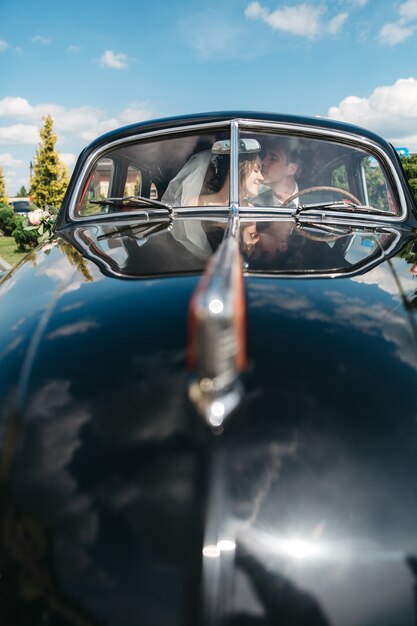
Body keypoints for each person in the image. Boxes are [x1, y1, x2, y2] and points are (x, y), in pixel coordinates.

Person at [254, 137, 301, 208]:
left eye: (273, 158)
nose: (263, 162)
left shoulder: (320, 201)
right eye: (265, 156)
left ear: (291, 169)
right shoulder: (255, 204)